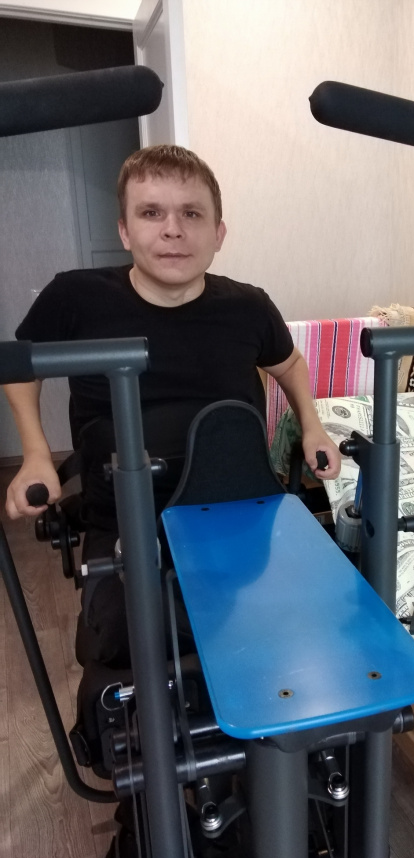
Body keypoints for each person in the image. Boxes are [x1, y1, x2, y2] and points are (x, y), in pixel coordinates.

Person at [3, 144, 341, 666]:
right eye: (151, 213)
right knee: (128, 647)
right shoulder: (75, 297)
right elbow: (19, 367)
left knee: (312, 626)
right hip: (127, 519)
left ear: (218, 234)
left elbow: (289, 363)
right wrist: (35, 455)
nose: (173, 230)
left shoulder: (248, 306)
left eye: (191, 214)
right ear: (124, 231)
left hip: (239, 509)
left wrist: (312, 427)